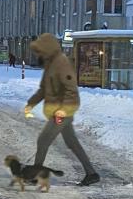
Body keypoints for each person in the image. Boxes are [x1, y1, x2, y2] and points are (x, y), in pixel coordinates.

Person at [25, 33, 99, 186]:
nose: (38, 55)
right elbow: (43, 90)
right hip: (58, 111)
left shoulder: (61, 63)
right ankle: (91, 173)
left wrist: (64, 111)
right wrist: (31, 103)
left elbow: (71, 90)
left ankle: (35, 174)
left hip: (62, 112)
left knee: (43, 140)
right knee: (72, 143)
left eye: (40, 51)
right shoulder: (50, 65)